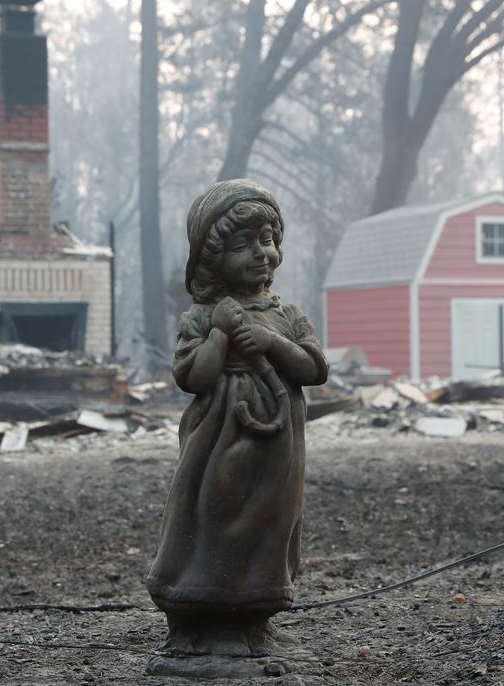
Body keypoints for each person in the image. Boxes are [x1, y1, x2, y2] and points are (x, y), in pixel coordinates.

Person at [146, 179, 329, 661]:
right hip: (219, 443)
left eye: (267, 240)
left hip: (278, 450)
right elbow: (194, 378)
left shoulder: (285, 315)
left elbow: (314, 369)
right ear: (212, 257)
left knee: (269, 525)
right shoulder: (205, 316)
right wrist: (221, 337)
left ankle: (253, 621)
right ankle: (202, 621)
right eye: (243, 243)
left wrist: (272, 343)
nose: (260, 253)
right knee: (217, 519)